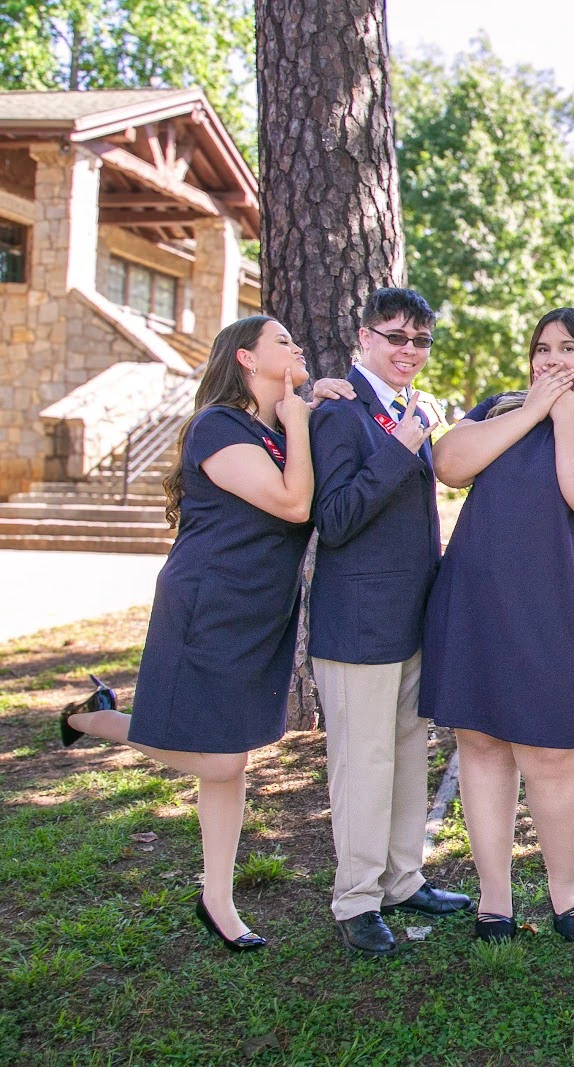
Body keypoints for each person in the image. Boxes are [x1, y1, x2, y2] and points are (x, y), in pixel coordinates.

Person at [59, 315, 314, 952]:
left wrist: (310, 405)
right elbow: (292, 503)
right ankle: (92, 721)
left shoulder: (272, 425)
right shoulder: (218, 426)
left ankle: (217, 899)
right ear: (247, 360)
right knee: (223, 756)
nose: (297, 347)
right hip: (209, 602)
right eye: (283, 340)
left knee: (229, 766)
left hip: (261, 608)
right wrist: (304, 418)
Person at [423, 308, 574, 943]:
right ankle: (495, 899)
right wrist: (529, 412)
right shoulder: (498, 410)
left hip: (555, 609)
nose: (550, 360)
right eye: (542, 348)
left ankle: (565, 892)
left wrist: (565, 419)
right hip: (474, 601)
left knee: (551, 750)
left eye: (567, 349)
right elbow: (449, 464)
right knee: (482, 745)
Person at [305, 288, 469, 958]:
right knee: (363, 765)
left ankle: (402, 878)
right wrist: (401, 445)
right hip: (358, 625)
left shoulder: (410, 408)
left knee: (406, 757)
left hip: (410, 620)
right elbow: (336, 518)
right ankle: (357, 899)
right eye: (396, 336)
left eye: (420, 340)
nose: (409, 350)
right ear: (364, 337)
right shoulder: (339, 411)